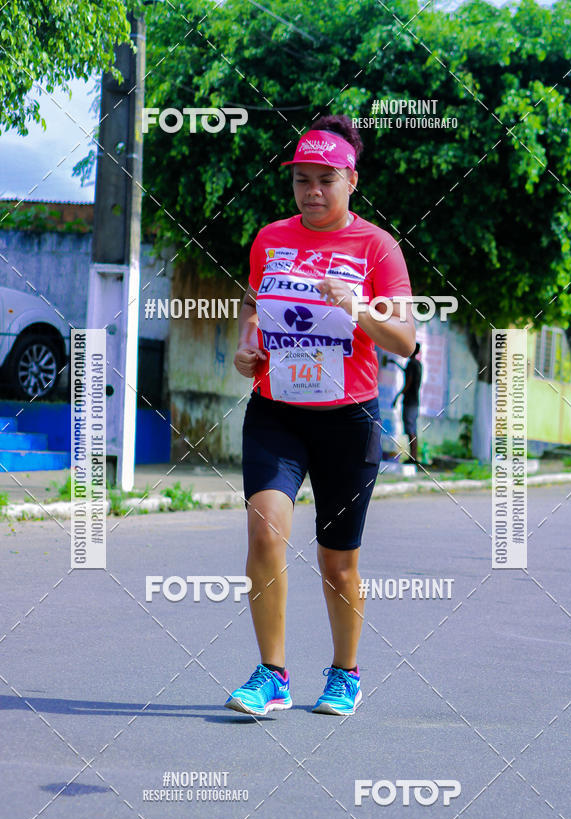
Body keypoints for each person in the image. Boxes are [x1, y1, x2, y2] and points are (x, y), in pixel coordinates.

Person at [225, 114, 415, 717]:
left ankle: (344, 673)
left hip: (347, 419)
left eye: (324, 179)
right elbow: (255, 316)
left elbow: (405, 340)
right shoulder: (269, 239)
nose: (312, 190)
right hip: (277, 412)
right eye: (302, 179)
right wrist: (244, 351)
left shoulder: (377, 247)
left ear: (350, 181)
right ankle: (272, 675)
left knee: (339, 561)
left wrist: (359, 309)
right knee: (264, 530)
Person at [393, 343, 422, 464]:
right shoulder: (418, 364)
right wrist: (396, 364)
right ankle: (414, 456)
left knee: (410, 430)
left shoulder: (411, 364)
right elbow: (408, 374)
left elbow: (408, 382)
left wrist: (397, 397)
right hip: (415, 401)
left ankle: (413, 457)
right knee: (413, 429)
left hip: (409, 401)